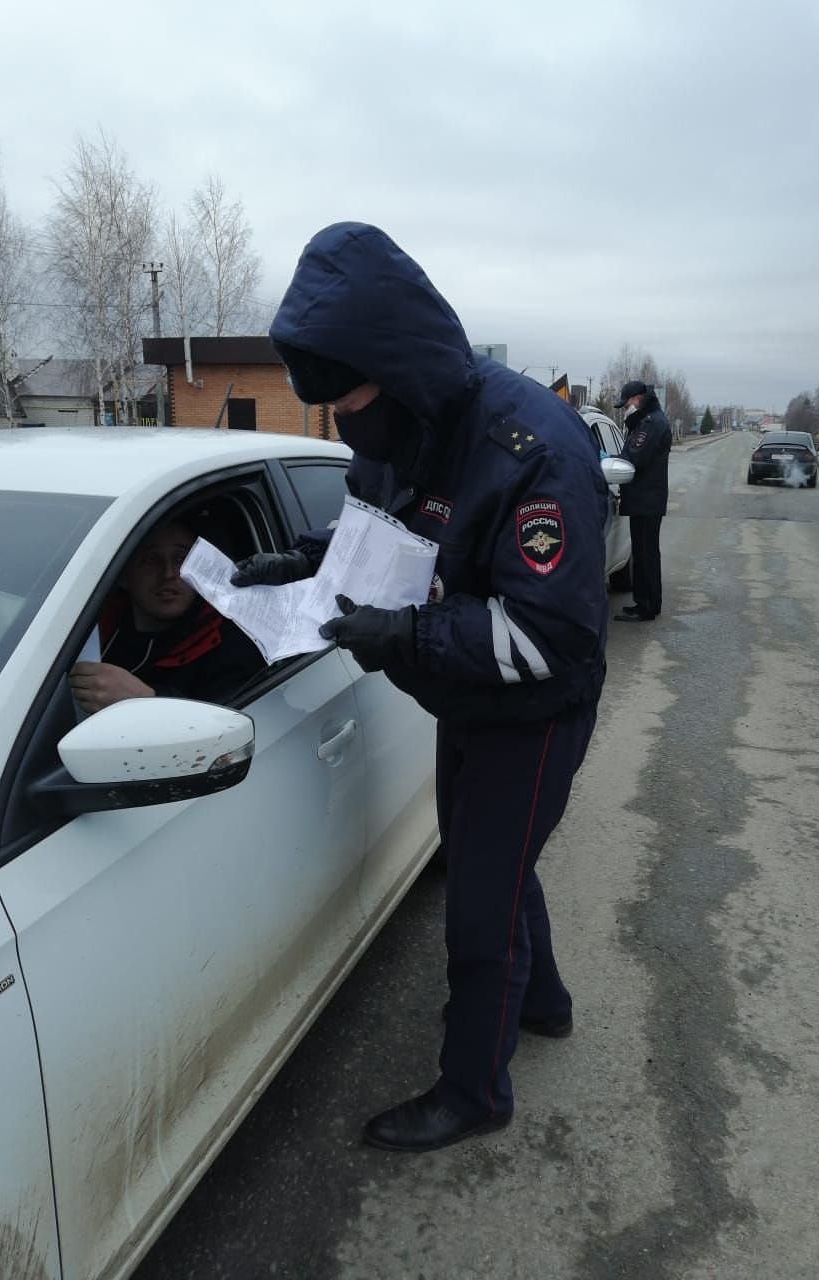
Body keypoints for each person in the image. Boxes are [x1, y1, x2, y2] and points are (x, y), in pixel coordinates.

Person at [233, 222, 610, 1152]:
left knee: (478, 901)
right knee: (489, 854)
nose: (345, 423)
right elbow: (381, 533)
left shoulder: (534, 449)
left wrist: (406, 631)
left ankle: (474, 1091)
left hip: (532, 711)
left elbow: (550, 640)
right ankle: (546, 1003)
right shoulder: (400, 432)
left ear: (396, 372)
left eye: (349, 401)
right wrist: (308, 558)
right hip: (459, 696)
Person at [70, 518, 264, 714]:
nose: (168, 573)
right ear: (124, 576)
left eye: (181, 559)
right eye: (151, 559)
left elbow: (228, 726)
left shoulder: (234, 643)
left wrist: (146, 699)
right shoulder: (83, 626)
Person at [611, 380, 672, 623]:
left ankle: (645, 607)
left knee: (645, 555)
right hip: (646, 499)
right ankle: (648, 603)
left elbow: (632, 457)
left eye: (627, 404)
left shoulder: (652, 423)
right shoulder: (650, 420)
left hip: (646, 500)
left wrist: (611, 459)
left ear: (638, 399)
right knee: (646, 552)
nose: (627, 408)